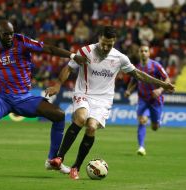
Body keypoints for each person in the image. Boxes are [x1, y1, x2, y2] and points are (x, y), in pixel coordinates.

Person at [0, 19, 88, 175]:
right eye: (6, 34)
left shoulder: (21, 41)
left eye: (11, 33)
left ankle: (52, 160)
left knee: (59, 115)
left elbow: (48, 49)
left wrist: (73, 55)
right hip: (1, 98)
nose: (9, 37)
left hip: (24, 98)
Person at [45, 26, 174, 180]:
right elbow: (69, 68)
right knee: (80, 118)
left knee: (91, 127)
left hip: (103, 100)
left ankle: (76, 167)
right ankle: (59, 158)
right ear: (99, 38)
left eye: (110, 44)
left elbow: (139, 75)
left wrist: (163, 84)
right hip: (84, 93)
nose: (106, 47)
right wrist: (58, 84)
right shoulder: (86, 51)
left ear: (114, 42)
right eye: (104, 43)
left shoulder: (120, 58)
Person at [124, 44, 171, 156]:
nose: (144, 53)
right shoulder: (136, 68)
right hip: (143, 99)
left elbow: (167, 79)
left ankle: (156, 121)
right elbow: (133, 81)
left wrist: (160, 90)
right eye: (142, 51)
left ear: (149, 53)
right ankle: (141, 147)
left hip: (156, 100)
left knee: (154, 127)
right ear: (139, 53)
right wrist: (129, 91)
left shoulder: (156, 66)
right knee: (142, 121)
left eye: (146, 51)